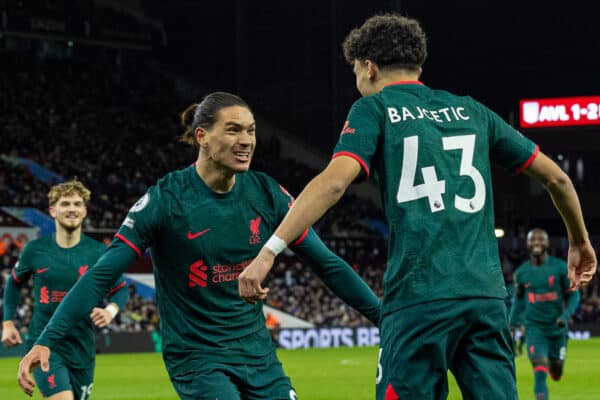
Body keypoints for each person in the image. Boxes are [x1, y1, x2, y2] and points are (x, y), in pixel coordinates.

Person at [238, 13, 597, 400]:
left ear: (369, 66)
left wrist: (269, 251)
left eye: (356, 71)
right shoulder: (472, 111)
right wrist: (579, 240)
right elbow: (558, 179)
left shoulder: (374, 109)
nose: (358, 82)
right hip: (485, 299)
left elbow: (335, 181)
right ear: (418, 65)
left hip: (418, 299)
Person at [17, 92, 381, 399]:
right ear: (202, 136)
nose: (247, 140)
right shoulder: (165, 199)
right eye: (233, 130)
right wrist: (47, 339)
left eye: (251, 131)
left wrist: (386, 319)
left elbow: (327, 263)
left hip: (258, 356)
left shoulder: (267, 193)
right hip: (197, 359)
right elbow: (102, 275)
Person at [2, 179, 129, 400]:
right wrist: (7, 322)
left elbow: (121, 289)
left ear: (85, 211)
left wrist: (111, 310)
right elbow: (14, 282)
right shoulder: (34, 250)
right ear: (53, 210)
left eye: (77, 204)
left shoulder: (99, 252)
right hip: (45, 344)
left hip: (82, 347)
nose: (72, 209)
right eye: (65, 203)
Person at [509, 228, 580, 400]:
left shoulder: (560, 268)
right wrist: (512, 324)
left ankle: (556, 366)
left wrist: (565, 316)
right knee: (540, 371)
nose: (536, 243)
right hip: (534, 329)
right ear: (527, 244)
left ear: (547, 243)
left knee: (556, 371)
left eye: (540, 239)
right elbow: (518, 301)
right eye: (532, 240)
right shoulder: (521, 273)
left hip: (557, 328)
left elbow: (574, 295)